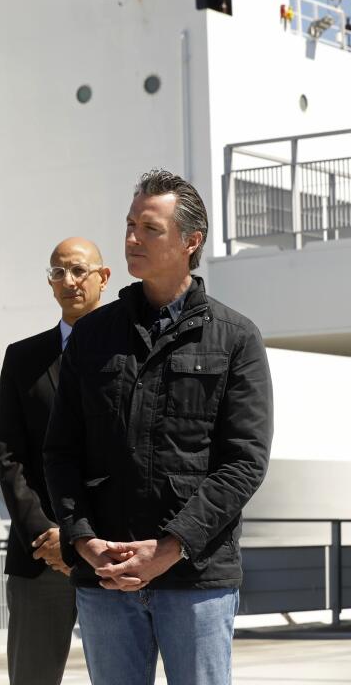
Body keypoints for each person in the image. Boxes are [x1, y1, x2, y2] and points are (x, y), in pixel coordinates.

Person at [44, 170, 273, 685]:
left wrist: (167, 548)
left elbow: (243, 463)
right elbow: (60, 452)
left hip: (195, 579)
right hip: (106, 578)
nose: (131, 239)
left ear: (190, 241)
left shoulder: (236, 339)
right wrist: (84, 542)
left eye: (149, 228)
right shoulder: (92, 337)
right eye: (129, 225)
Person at [0, 237, 109, 685]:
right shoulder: (23, 358)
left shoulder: (133, 353)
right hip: (41, 555)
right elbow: (10, 455)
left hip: (112, 551)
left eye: (79, 270)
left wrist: (88, 538)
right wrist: (46, 534)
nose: (69, 281)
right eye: (58, 272)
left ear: (103, 277)